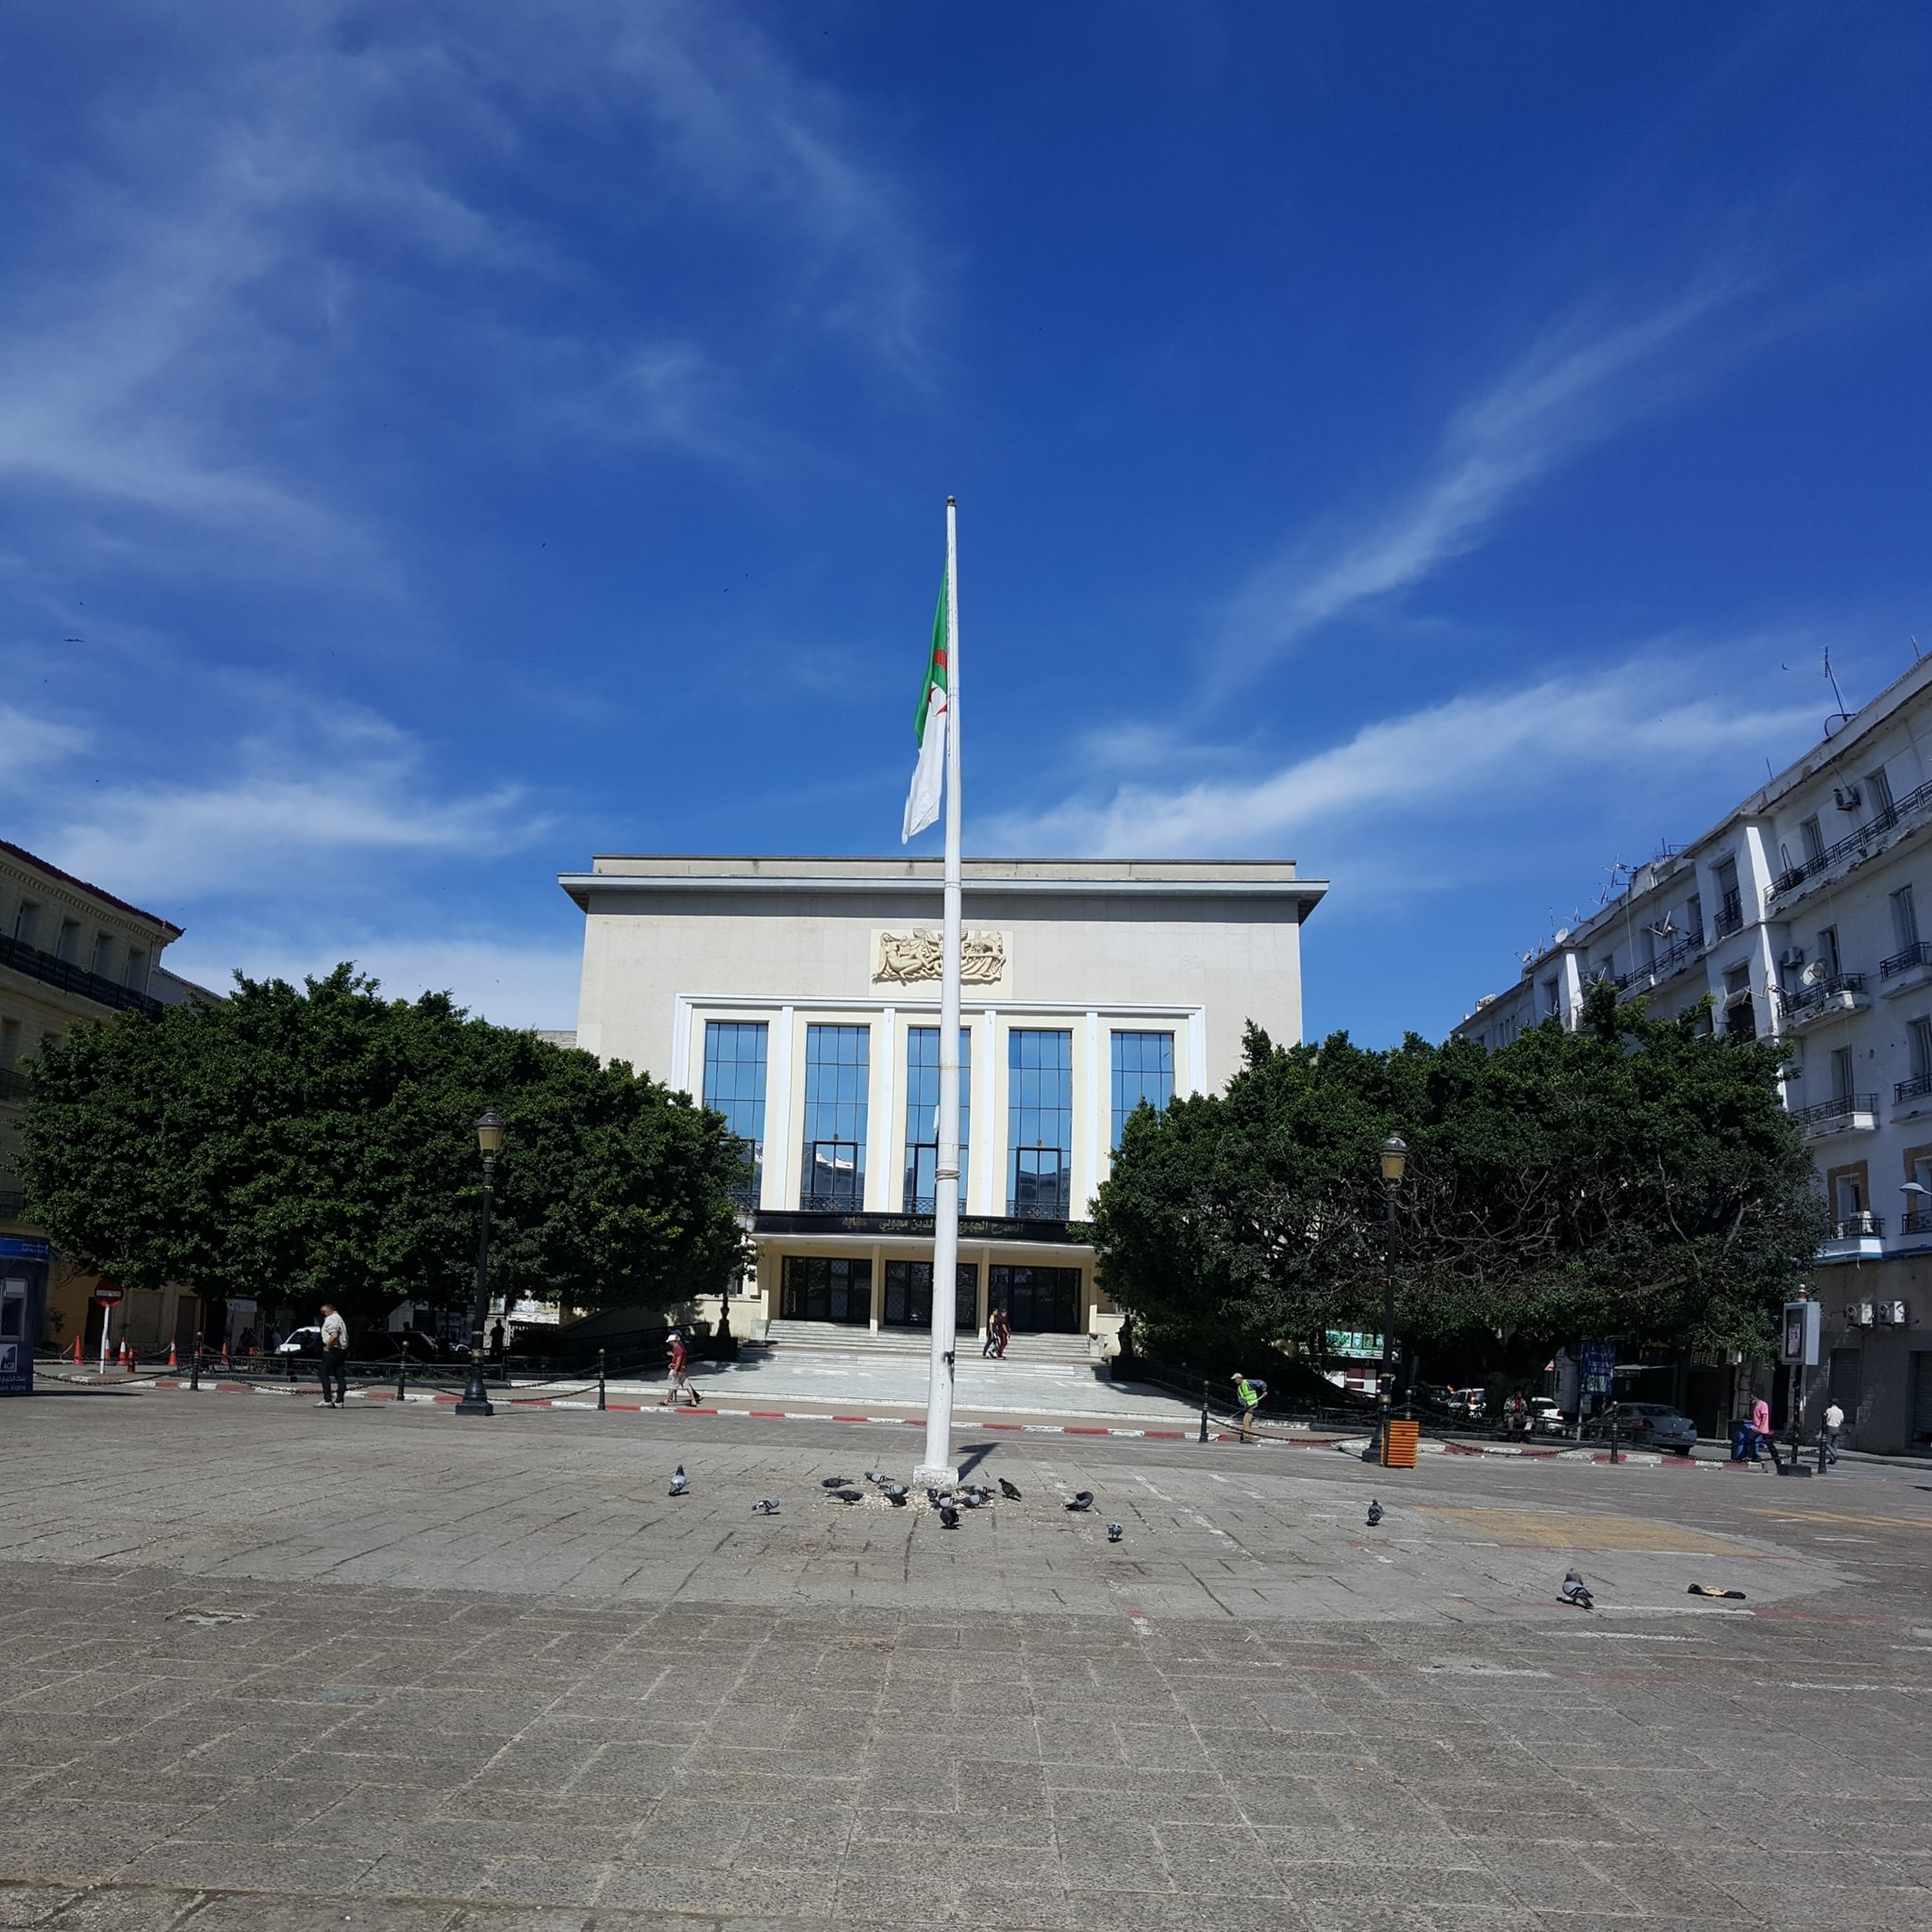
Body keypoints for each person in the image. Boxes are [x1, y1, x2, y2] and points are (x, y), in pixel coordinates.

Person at [318, 1303, 348, 1408]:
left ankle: (327, 1399)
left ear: (331, 1309)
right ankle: (340, 1400)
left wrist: (327, 1346)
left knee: (324, 1373)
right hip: (341, 1350)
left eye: (324, 1311)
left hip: (332, 1350)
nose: (323, 1314)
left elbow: (334, 1335)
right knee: (339, 1375)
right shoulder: (339, 1318)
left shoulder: (331, 1319)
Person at [661, 1327, 698, 1407]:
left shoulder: (678, 1349)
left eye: (670, 1342)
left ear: (672, 1341)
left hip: (679, 1370)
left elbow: (679, 1359)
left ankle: (666, 1400)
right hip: (683, 1369)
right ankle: (693, 1401)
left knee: (673, 1385)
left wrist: (675, 1369)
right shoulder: (680, 1348)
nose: (669, 1344)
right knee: (687, 1385)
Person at [1233, 1371, 1268, 1441]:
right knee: (1247, 1421)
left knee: (1246, 1421)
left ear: (1239, 1378)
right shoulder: (1239, 1388)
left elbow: (1261, 1383)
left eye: (1235, 1379)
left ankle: (1248, 1438)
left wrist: (1264, 1390)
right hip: (1247, 1406)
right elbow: (1241, 1398)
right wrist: (1244, 1405)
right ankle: (1246, 1436)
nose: (1234, 1381)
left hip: (1253, 1404)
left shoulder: (1248, 1382)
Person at [1750, 1393, 1778, 1470]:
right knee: (1749, 1440)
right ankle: (1754, 1456)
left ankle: (1777, 1461)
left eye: (1752, 1397)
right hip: (1756, 1427)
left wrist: (1761, 1427)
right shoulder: (1756, 1405)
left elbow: (1764, 1416)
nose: (1751, 1399)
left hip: (1762, 1429)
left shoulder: (1763, 1404)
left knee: (1770, 1445)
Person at [1821, 1399, 1844, 1466]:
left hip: (1830, 1427)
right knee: (1834, 1444)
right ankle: (1832, 1459)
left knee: (1827, 1444)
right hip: (1837, 1428)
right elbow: (1842, 1420)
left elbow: (1826, 1418)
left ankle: (1835, 1455)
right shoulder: (1840, 1411)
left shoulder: (1829, 1410)